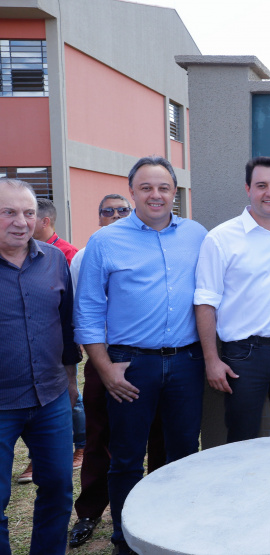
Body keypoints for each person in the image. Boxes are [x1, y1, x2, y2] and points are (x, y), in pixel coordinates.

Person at [75, 156, 207, 555]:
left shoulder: (197, 235)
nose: (156, 195)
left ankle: (175, 533)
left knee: (183, 453)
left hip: (186, 363)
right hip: (131, 365)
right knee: (128, 457)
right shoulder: (105, 241)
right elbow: (88, 311)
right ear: (132, 192)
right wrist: (105, 369)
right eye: (146, 187)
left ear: (174, 193)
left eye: (163, 187)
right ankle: (127, 540)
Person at [68, 194, 167, 549]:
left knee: (158, 436)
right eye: (106, 211)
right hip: (102, 361)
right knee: (99, 436)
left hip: (147, 359)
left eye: (121, 210)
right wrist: (99, 364)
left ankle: (155, 509)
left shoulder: (153, 250)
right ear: (98, 219)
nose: (114, 215)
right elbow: (80, 311)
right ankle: (91, 512)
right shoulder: (83, 257)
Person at [195, 157, 270, 442]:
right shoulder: (220, 238)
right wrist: (211, 360)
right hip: (244, 357)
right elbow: (205, 302)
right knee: (242, 440)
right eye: (261, 185)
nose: (269, 192)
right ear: (248, 189)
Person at [0, 178, 80, 554]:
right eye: (9, 212)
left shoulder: (53, 262)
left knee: (59, 491)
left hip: (50, 399)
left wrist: (70, 380)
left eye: (29, 213)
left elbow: (66, 326)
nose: (21, 221)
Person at [17, 198, 86, 484]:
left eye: (29, 215)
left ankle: (81, 445)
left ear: (43, 221)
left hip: (57, 355)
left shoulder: (64, 254)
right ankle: (38, 458)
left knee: (72, 399)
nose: (21, 223)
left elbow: (71, 305)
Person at [33, 197, 78, 264]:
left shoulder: (68, 253)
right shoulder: (22, 249)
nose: (23, 222)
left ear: (45, 222)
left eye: (30, 217)